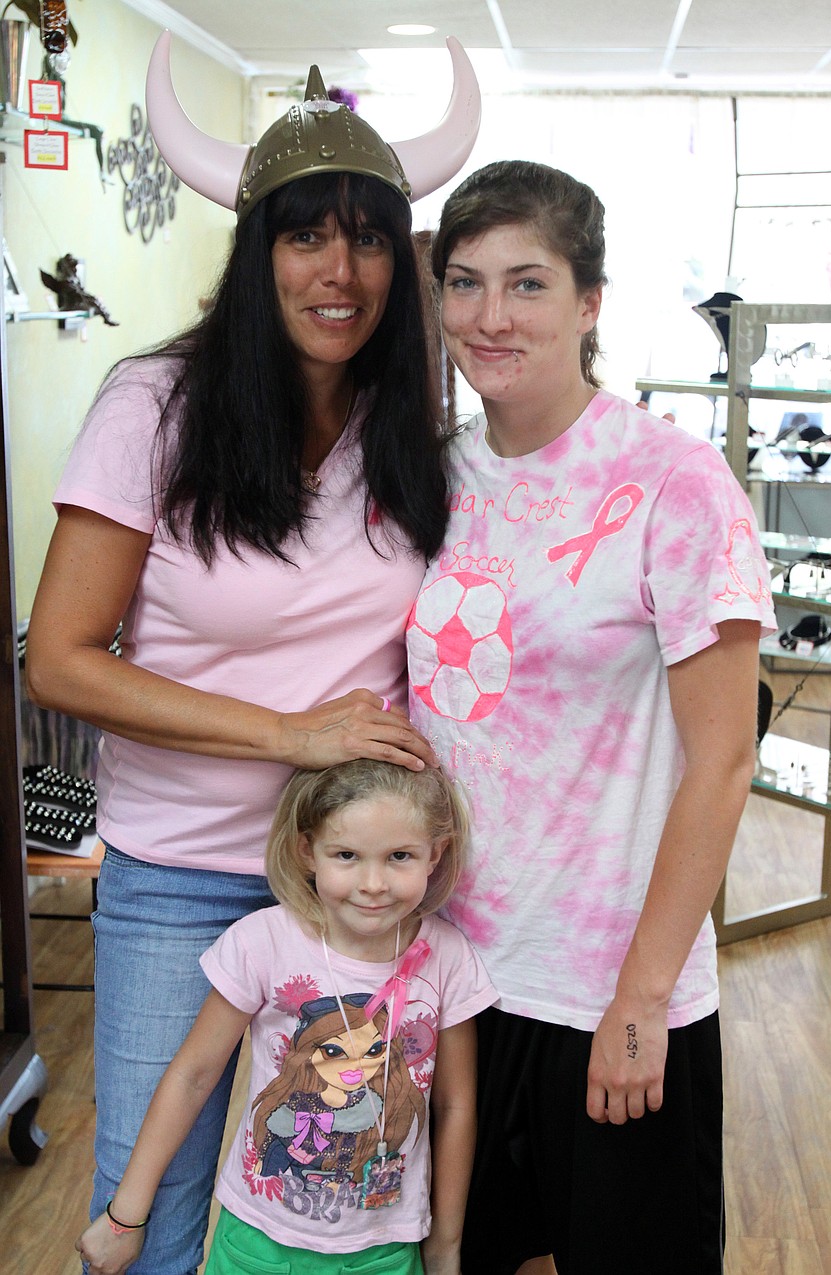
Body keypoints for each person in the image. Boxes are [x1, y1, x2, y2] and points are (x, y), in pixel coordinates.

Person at [25, 31, 480, 1274]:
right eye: (304, 236)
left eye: (371, 236)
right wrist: (291, 736)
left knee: (336, 1199)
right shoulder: (152, 409)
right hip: (182, 872)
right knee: (154, 1211)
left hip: (364, 886)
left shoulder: (411, 430)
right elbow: (59, 661)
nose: (341, 271)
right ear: (255, 252)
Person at [405, 160, 777, 1275]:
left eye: (527, 285)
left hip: (608, 982)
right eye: (463, 284)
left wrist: (641, 997)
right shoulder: (431, 478)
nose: (488, 317)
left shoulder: (670, 480)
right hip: (457, 973)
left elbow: (720, 764)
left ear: (589, 302)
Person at [75, 759, 496, 1275]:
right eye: (346, 855)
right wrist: (125, 1219)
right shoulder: (262, 942)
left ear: (436, 853)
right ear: (306, 851)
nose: (373, 883)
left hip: (385, 1252)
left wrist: (446, 1247)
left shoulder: (450, 959)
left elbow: (456, 1107)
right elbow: (192, 1076)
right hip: (255, 1244)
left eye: (399, 856)